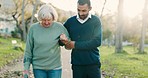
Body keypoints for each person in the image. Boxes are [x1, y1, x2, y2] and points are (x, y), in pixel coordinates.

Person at [23, 4, 69, 78]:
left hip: (55, 68)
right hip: (38, 68)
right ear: (40, 18)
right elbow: (28, 50)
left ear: (53, 18)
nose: (46, 22)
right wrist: (26, 68)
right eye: (44, 20)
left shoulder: (59, 27)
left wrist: (65, 41)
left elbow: (68, 44)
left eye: (49, 20)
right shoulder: (33, 29)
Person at [60, 0, 102, 78]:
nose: (81, 13)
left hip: (93, 63)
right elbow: (61, 40)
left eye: (84, 10)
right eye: (78, 10)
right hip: (77, 64)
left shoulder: (96, 21)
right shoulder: (70, 22)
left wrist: (75, 45)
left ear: (90, 8)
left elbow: (97, 41)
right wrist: (63, 41)